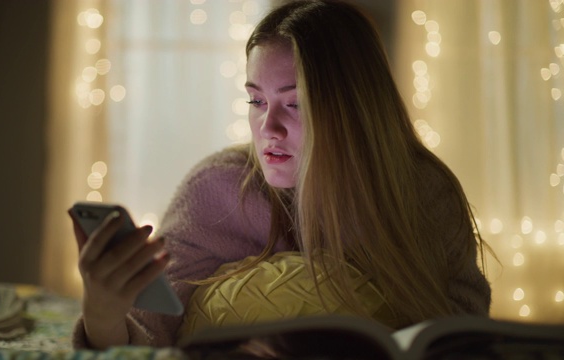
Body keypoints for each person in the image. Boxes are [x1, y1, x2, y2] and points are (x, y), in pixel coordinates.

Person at [70, 0, 492, 350]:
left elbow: (464, 335)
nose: (268, 128)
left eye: (294, 103)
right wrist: (103, 315)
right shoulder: (217, 190)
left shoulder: (422, 192)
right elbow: (146, 339)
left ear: (354, 109)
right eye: (256, 101)